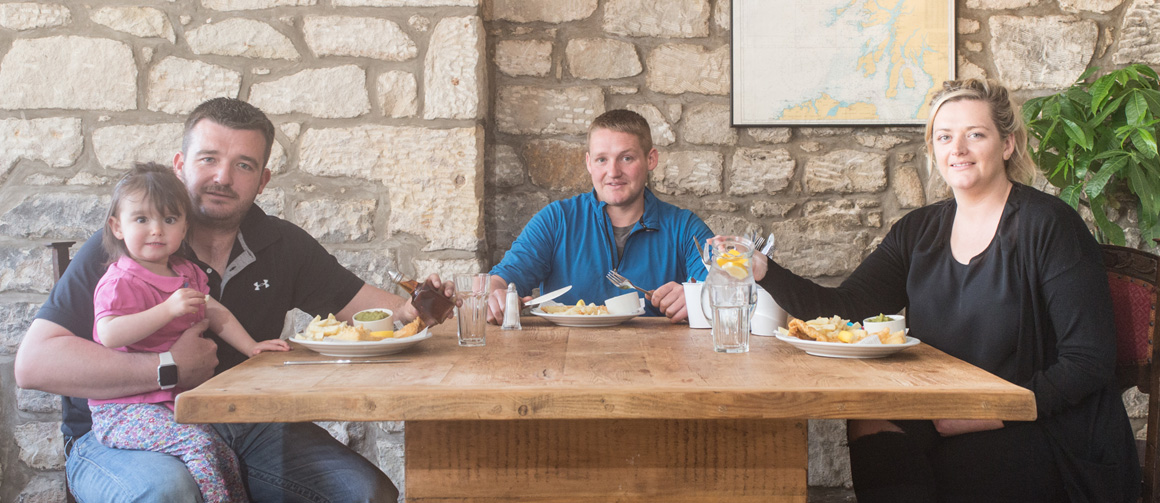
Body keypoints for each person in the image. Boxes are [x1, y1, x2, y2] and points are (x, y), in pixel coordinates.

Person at [15, 97, 449, 502]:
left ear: (262, 181)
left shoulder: (282, 244)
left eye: (242, 165)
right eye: (208, 159)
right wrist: (166, 368)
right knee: (168, 491)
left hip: (246, 423)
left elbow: (381, 316)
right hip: (120, 431)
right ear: (180, 165)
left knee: (365, 493)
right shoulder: (126, 250)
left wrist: (421, 310)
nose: (223, 177)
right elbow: (34, 364)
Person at [748, 79, 1140, 502]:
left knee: (956, 464)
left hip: (1042, 423)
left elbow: (1088, 362)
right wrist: (763, 270)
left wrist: (987, 414)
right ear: (934, 150)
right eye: (945, 136)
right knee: (870, 424)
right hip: (946, 408)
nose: (959, 149)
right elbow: (846, 309)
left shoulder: (1050, 226)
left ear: (1007, 145)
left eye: (975, 134)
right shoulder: (918, 231)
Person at [91, 162, 290, 502]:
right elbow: (109, 333)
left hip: (174, 403)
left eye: (169, 220)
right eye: (142, 219)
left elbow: (213, 311)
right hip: (124, 408)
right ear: (117, 226)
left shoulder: (185, 272)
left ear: (184, 227)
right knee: (199, 445)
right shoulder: (120, 280)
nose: (156, 230)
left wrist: (251, 346)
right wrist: (166, 309)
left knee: (220, 450)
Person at [487, 109, 715, 323]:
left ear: (651, 159)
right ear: (589, 163)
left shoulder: (684, 228)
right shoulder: (556, 220)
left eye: (626, 158)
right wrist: (495, 295)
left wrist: (696, 298)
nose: (613, 172)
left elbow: (725, 285)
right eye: (602, 159)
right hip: (565, 357)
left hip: (658, 360)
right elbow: (503, 278)